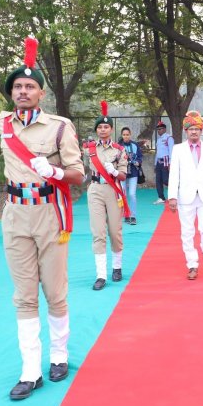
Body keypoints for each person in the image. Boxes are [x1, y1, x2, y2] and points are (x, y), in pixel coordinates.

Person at [0, 37, 85, 400]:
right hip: (15, 215)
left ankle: (59, 355)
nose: (22, 91)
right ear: (11, 93)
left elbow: (79, 174)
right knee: (24, 295)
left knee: (54, 291)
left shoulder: (60, 127)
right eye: (17, 86)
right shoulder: (3, 122)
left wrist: (53, 170)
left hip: (50, 214)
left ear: (41, 93)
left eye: (29, 86)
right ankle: (30, 370)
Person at [167, 111, 203, 280]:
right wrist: (172, 197)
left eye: (197, 129)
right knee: (187, 232)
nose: (194, 132)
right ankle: (192, 265)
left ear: (201, 130)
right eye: (191, 129)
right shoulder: (178, 149)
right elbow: (174, 173)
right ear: (186, 131)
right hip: (185, 196)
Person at [85, 101, 129, 291]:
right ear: (96, 130)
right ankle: (101, 275)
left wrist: (114, 172)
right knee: (98, 232)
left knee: (114, 231)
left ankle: (116, 267)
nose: (103, 129)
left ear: (111, 129)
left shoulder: (119, 150)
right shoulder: (88, 149)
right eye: (100, 127)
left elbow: (124, 174)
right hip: (95, 189)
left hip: (113, 190)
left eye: (106, 126)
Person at [119, 127, 143, 225]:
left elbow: (140, 157)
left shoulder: (135, 145)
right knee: (123, 194)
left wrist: (138, 162)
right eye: (124, 135)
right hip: (122, 172)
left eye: (127, 134)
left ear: (130, 134)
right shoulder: (118, 146)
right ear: (122, 135)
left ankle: (133, 216)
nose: (126, 136)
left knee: (132, 194)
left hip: (133, 172)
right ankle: (126, 214)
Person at [153, 120, 174, 204]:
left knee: (166, 180)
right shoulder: (158, 140)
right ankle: (161, 197)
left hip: (166, 161)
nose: (159, 131)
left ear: (165, 129)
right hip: (159, 162)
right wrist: (155, 164)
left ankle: (175, 194)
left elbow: (171, 151)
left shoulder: (169, 138)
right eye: (158, 129)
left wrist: (170, 163)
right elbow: (157, 152)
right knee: (158, 180)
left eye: (161, 129)